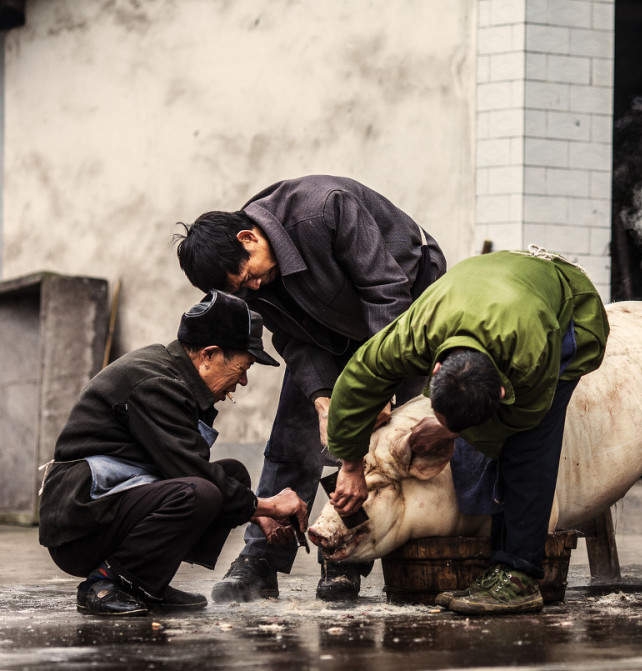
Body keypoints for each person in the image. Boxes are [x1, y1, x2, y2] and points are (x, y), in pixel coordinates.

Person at [174, 175, 446, 603]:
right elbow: (293, 339)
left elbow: (385, 293)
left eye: (246, 276)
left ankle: (344, 558)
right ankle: (260, 558)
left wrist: (373, 393)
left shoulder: (324, 210)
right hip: (329, 329)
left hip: (403, 309)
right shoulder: (249, 280)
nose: (251, 289)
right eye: (240, 290)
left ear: (249, 237)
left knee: (378, 434)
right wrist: (323, 401)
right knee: (291, 434)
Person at [325, 248, 609, 614]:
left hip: (571, 310)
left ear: (503, 391)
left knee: (528, 445)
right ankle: (497, 567)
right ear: (437, 368)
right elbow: (358, 381)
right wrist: (350, 465)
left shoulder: (530, 359)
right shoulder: (417, 332)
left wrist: (448, 434)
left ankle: (518, 575)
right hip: (487, 288)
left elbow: (524, 417)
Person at [37, 291, 308, 616]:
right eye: (243, 367)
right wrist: (265, 506)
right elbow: (190, 471)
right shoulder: (156, 382)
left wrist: (252, 508)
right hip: (80, 524)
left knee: (231, 476)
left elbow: (186, 466)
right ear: (209, 355)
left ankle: (146, 584)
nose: (244, 381)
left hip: (107, 506)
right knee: (200, 492)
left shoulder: (171, 373)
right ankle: (107, 581)